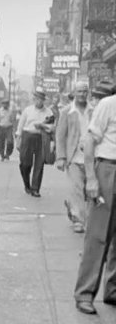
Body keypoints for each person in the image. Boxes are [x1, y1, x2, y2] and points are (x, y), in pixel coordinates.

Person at [73, 84, 116, 315]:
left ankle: (113, 290)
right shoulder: (108, 105)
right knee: (98, 235)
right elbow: (89, 142)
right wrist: (91, 178)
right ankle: (85, 293)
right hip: (108, 170)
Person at [55, 81, 91, 233]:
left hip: (91, 157)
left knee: (88, 190)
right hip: (74, 156)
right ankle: (78, 220)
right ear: (74, 93)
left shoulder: (94, 110)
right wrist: (61, 157)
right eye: (79, 91)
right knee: (76, 188)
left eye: (85, 91)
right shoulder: (66, 111)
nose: (82, 94)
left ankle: (73, 207)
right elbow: (60, 135)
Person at [16, 87, 54, 198]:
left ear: (44, 100)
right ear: (34, 99)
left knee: (39, 163)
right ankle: (27, 184)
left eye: (41, 99)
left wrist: (43, 126)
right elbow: (20, 125)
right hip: (28, 136)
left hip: (42, 137)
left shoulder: (49, 112)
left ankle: (35, 189)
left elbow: (52, 127)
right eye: (37, 99)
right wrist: (18, 139)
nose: (39, 101)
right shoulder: (27, 110)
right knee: (25, 163)